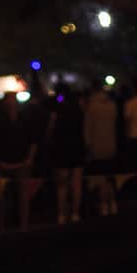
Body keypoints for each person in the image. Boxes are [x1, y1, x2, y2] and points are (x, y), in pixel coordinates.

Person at [0, 96, 37, 230]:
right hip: (4, 163)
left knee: (23, 197)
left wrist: (29, 159)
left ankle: (23, 225)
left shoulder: (25, 119)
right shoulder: (0, 121)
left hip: (22, 163)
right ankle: (3, 225)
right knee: (3, 197)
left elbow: (33, 141)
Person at [47, 85, 84, 224]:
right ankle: (75, 213)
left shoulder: (57, 110)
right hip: (77, 146)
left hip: (61, 148)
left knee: (62, 184)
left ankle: (61, 214)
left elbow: (50, 129)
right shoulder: (78, 109)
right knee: (76, 182)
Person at [84, 79, 118, 216]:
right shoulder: (112, 105)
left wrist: (88, 146)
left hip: (96, 147)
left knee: (100, 178)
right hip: (111, 145)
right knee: (110, 177)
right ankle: (113, 203)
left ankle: (103, 204)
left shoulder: (92, 106)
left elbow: (87, 129)